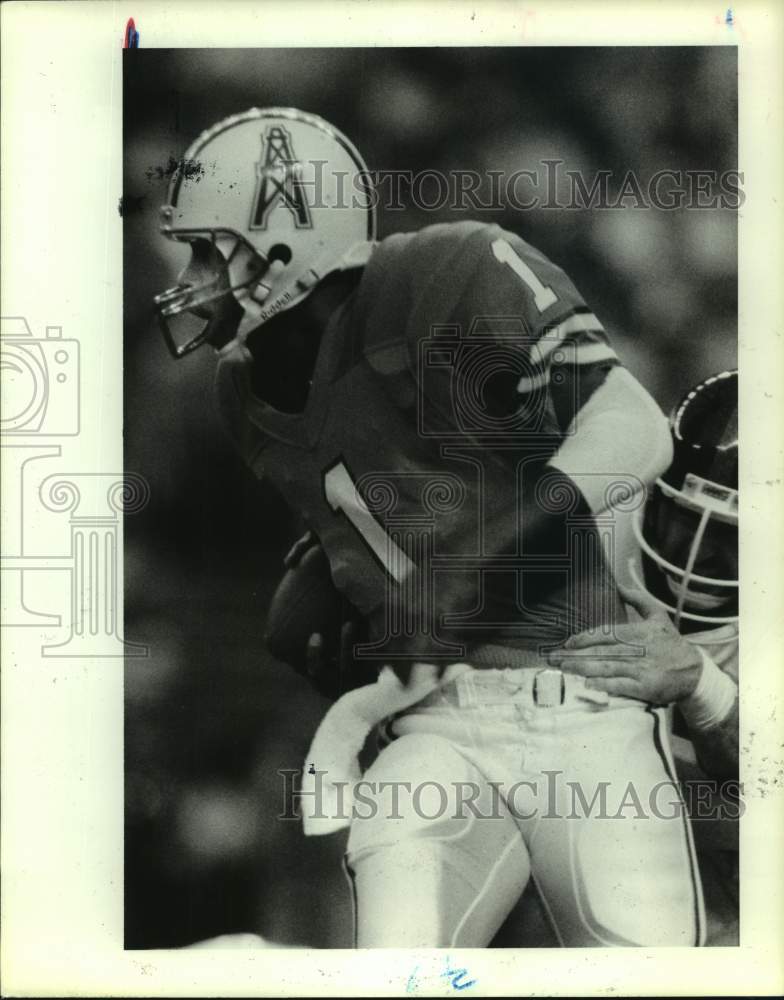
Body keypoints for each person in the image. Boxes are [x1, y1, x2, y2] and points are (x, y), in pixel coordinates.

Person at [155, 107, 704, 947]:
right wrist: (344, 607)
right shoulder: (243, 393)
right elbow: (366, 539)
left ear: (285, 242)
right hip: (435, 719)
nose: (186, 275)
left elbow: (634, 429)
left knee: (645, 962)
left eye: (207, 247)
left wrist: (495, 548)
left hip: (582, 700)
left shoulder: (445, 273)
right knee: (396, 944)